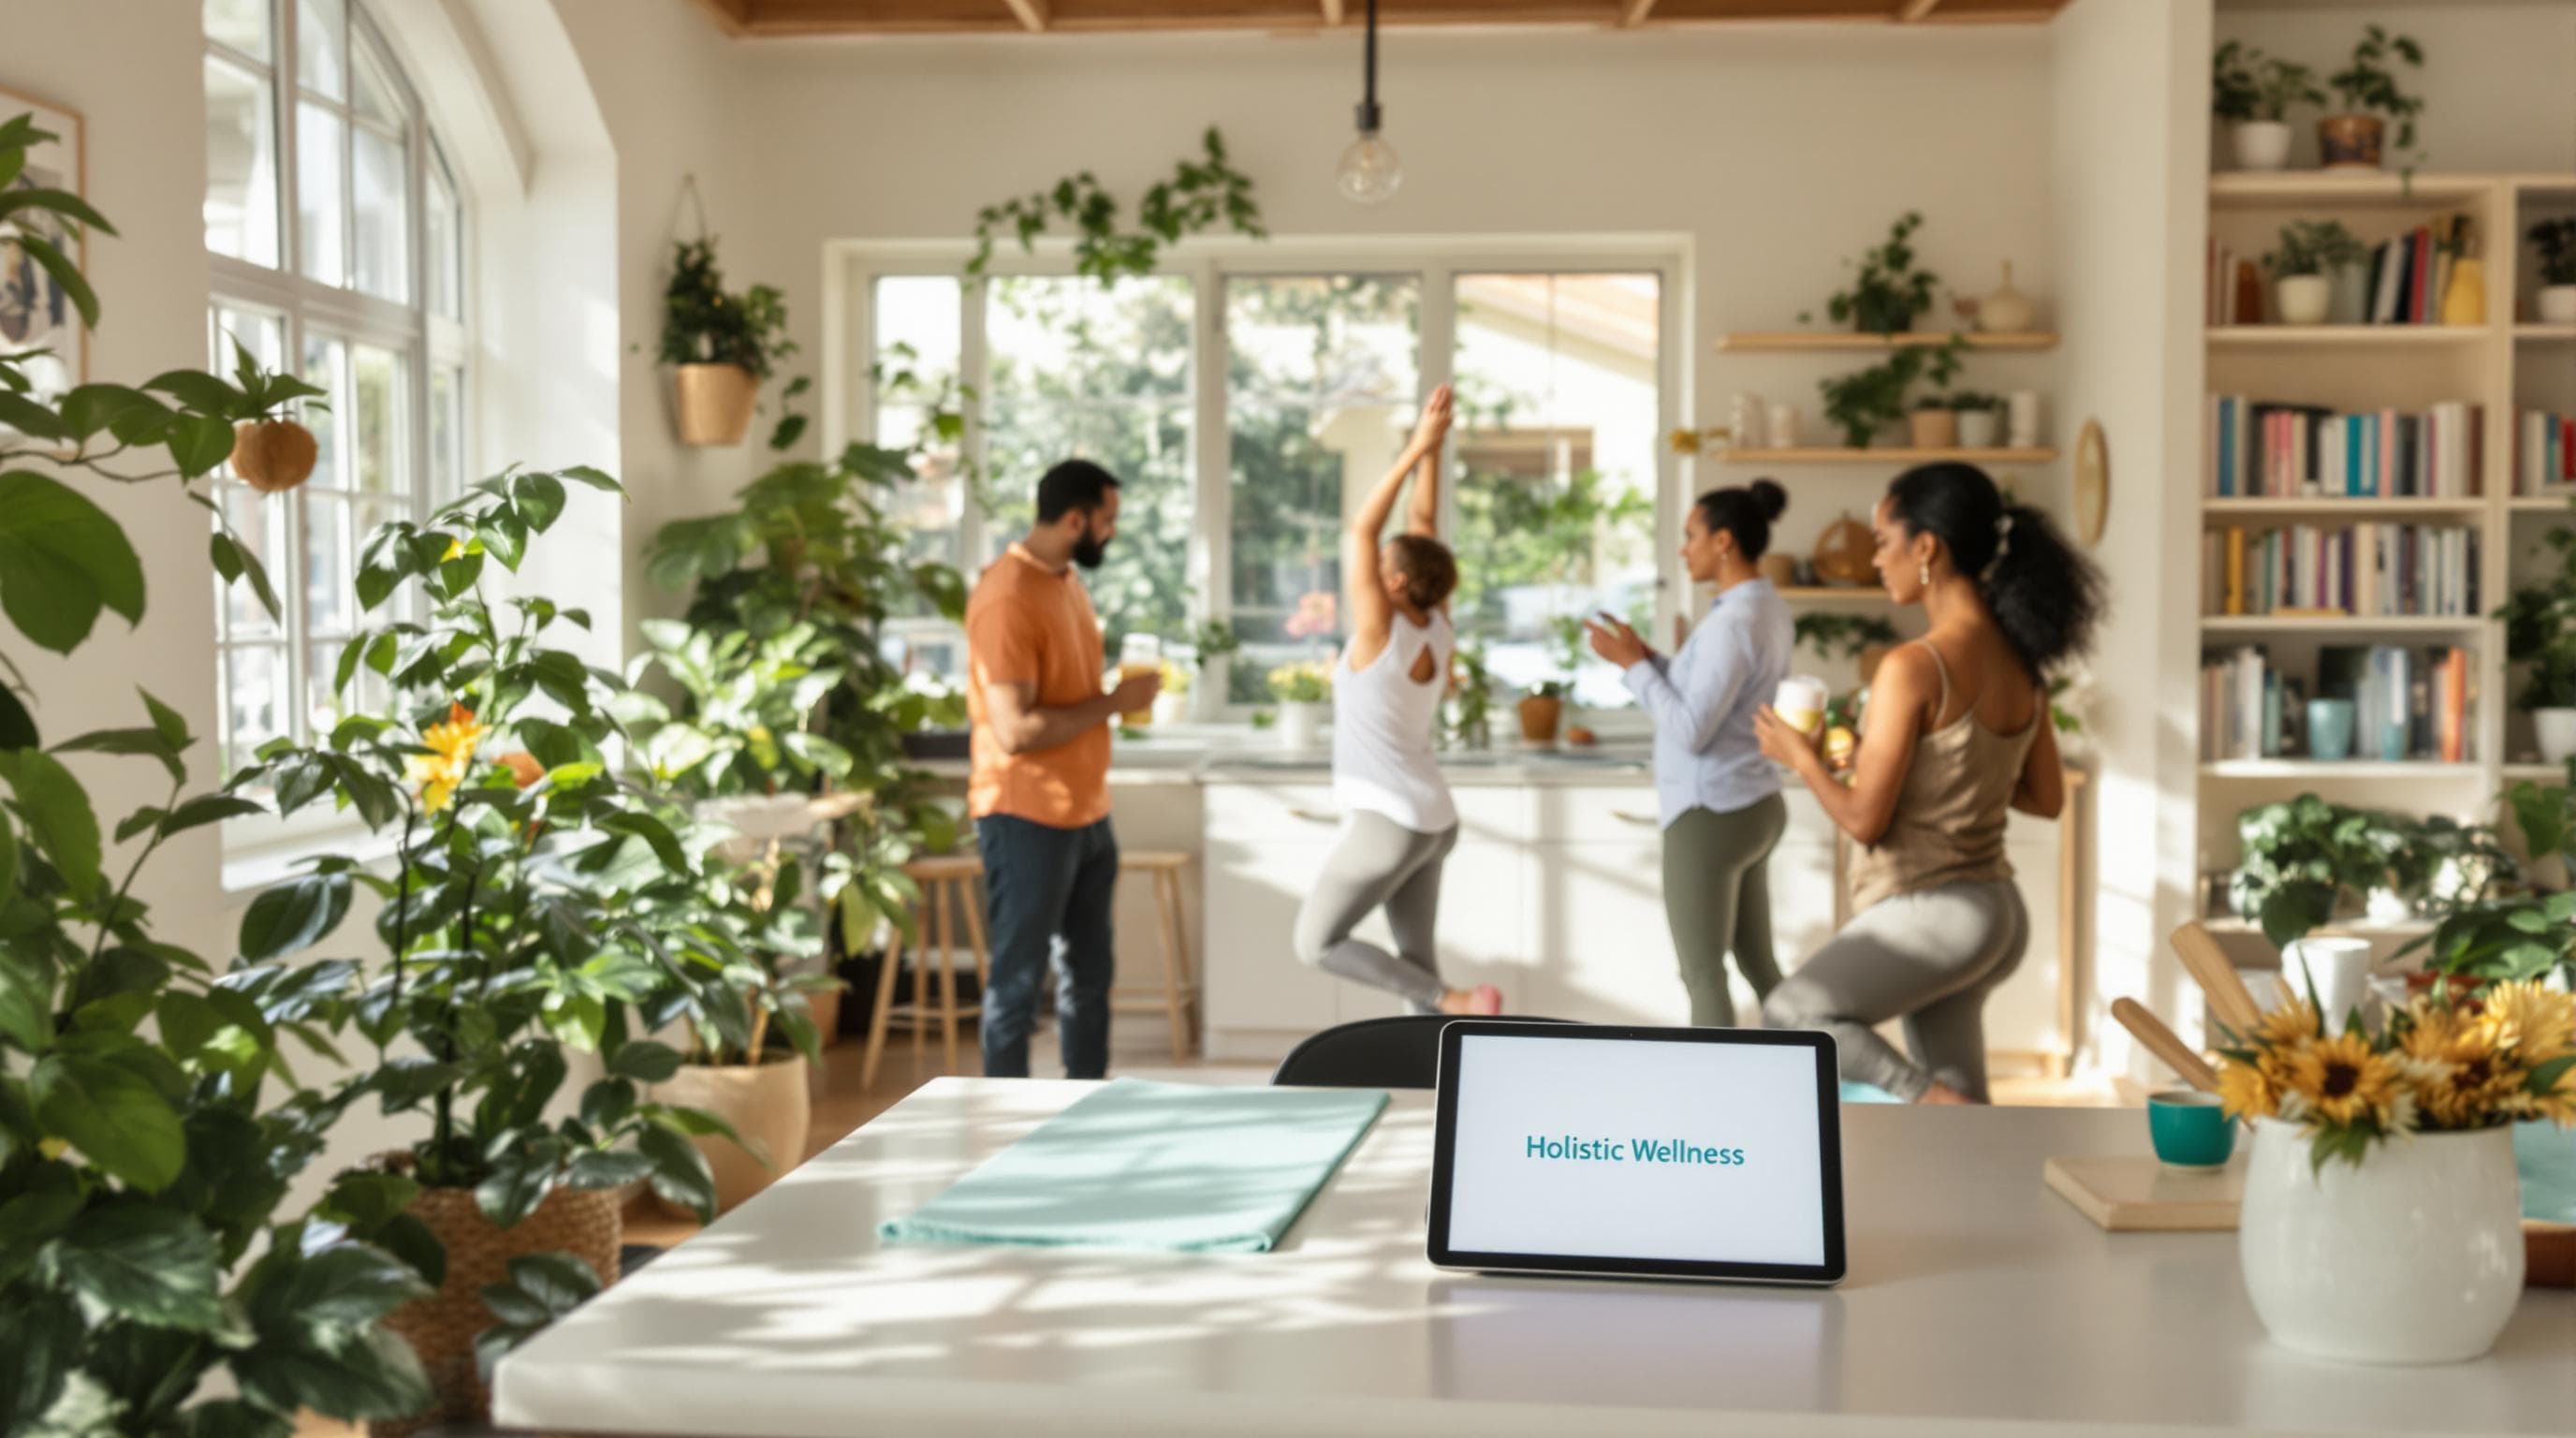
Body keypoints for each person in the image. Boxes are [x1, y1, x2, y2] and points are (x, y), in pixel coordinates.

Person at [1755, 462, 2102, 1104]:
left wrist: (1799, 757)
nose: (1874, 559)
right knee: (1963, 1107)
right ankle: (1979, 1180)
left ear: (1926, 548)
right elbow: (2045, 798)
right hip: (1996, 912)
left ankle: (1928, 1099)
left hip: (1936, 909)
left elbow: (1864, 820)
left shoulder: (1915, 666)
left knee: (1789, 1015)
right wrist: (1925, 771)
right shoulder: (2021, 662)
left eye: (1883, 541)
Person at [1291, 385, 1501, 1018]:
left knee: (1317, 942)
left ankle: (1457, 1000)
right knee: (1414, 969)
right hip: (1434, 820)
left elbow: (1362, 527)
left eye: (1383, 567)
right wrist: (1432, 448)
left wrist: (1415, 449)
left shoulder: (1382, 632)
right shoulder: (1437, 623)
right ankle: (1443, 1083)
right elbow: (1425, 529)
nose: (1373, 570)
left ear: (1398, 582)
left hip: (1390, 821)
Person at [963, 459, 1158, 1079]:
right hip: (1025, 814)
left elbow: (1064, 693)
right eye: (1107, 521)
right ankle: (1002, 1127)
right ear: (1074, 519)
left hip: (1086, 811)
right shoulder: (1006, 597)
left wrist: (1108, 700)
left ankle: (1084, 1112)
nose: (1112, 533)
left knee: (1089, 978)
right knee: (1018, 984)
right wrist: (1114, 703)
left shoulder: (1066, 581)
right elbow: (1015, 730)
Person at [1585, 480, 1794, 1027]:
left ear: (1724, 541)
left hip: (1711, 814)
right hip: (1753, 803)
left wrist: (1631, 667)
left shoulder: (1732, 622)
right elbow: (1715, 695)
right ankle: (1827, 1077)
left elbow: (1691, 728)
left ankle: (1717, 1104)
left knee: (1702, 974)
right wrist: (1649, 659)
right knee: (1759, 965)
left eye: (1690, 536)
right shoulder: (1764, 608)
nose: (1683, 550)